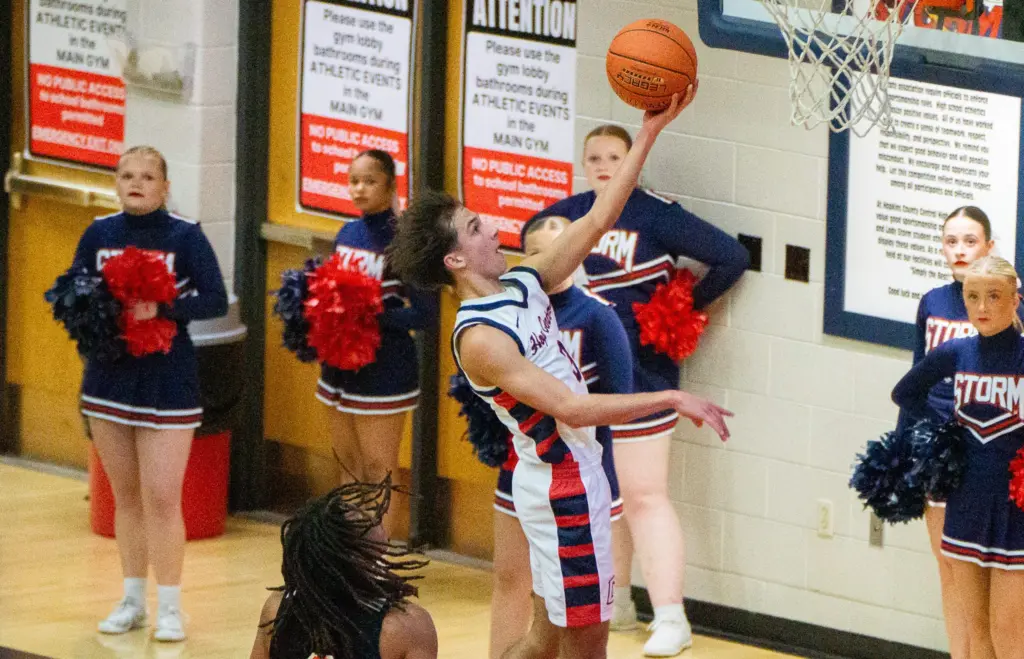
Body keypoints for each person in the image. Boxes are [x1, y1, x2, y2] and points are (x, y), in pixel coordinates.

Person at [389, 89, 731, 659]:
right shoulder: (482, 338)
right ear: (455, 259)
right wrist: (671, 397)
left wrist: (649, 131)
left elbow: (597, 219)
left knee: (544, 641)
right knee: (586, 646)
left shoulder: (525, 281)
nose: (492, 228)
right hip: (562, 487)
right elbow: (571, 408)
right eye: (474, 227)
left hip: (570, 477)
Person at [529, 123, 749, 654]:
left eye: (615, 157)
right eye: (595, 158)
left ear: (635, 162)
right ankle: (619, 602)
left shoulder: (657, 214)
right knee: (604, 496)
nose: (604, 167)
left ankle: (672, 617)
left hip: (644, 374)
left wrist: (678, 311)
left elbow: (732, 257)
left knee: (645, 495)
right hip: (578, 382)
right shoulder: (563, 215)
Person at [70, 146, 228, 641]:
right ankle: (133, 600)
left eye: (147, 176)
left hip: (167, 380)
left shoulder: (185, 235)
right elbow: (75, 295)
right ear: (116, 183)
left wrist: (163, 307)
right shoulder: (98, 234)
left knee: (161, 496)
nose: (136, 184)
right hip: (109, 378)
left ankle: (172, 607)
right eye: (127, 176)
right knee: (126, 496)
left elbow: (215, 300)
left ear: (165, 187)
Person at [488, 216, 634, 659]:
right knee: (511, 580)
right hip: (522, 469)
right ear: (525, 258)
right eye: (538, 251)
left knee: (571, 628)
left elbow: (619, 401)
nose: (553, 259)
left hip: (579, 478)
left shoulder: (597, 316)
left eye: (562, 246)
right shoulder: (507, 315)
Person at [892, 255, 1024, 659]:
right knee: (977, 631)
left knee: (1008, 632)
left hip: (1016, 511)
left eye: (994, 296)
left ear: (1015, 300)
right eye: (973, 297)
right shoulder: (956, 352)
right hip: (966, 504)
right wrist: (944, 430)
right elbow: (905, 392)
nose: (982, 307)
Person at [314, 150, 435, 536]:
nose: (360, 189)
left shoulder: (406, 242)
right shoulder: (346, 234)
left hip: (385, 369)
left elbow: (425, 314)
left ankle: (377, 558)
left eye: (370, 181)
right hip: (339, 366)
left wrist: (373, 315)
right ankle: (349, 553)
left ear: (390, 185)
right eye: (354, 181)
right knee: (347, 465)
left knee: (378, 468)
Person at [249, 478, 438, 659]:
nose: (366, 514)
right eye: (356, 518)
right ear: (358, 558)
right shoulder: (405, 627)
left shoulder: (276, 610)